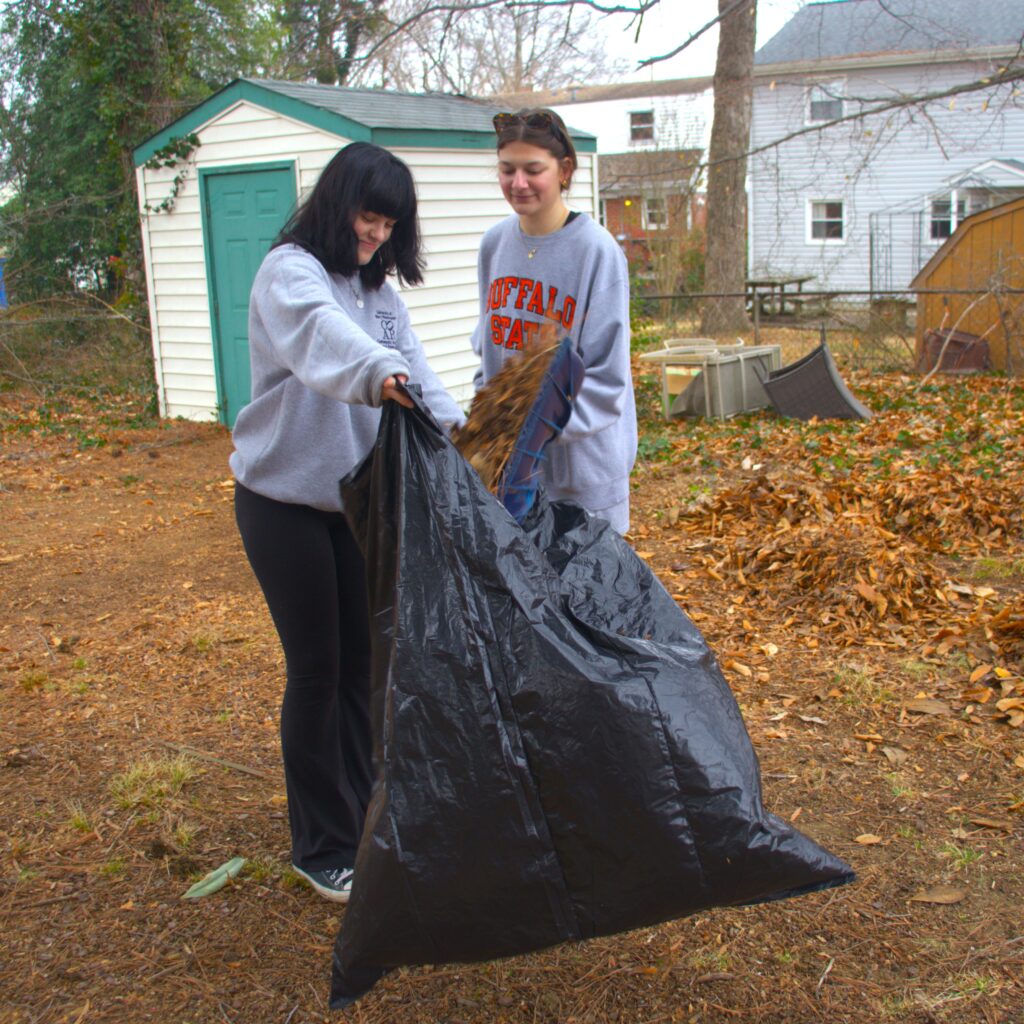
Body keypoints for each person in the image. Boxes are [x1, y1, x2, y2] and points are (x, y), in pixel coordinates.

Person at [230, 142, 464, 903]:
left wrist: (462, 427)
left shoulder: (379, 292)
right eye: (369, 218)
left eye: (388, 226)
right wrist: (382, 375)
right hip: (282, 505)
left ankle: (366, 819)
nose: (375, 236)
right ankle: (321, 846)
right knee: (318, 672)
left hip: (355, 507)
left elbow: (415, 367)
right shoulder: (289, 272)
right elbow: (329, 342)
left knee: (365, 672)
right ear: (338, 204)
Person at [471, 108, 637, 534]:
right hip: (511, 479)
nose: (518, 183)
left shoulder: (595, 253)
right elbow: (490, 353)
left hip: (581, 478)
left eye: (533, 169)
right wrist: (489, 428)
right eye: (507, 170)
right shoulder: (494, 245)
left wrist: (534, 432)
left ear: (564, 170)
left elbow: (607, 379)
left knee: (587, 599)